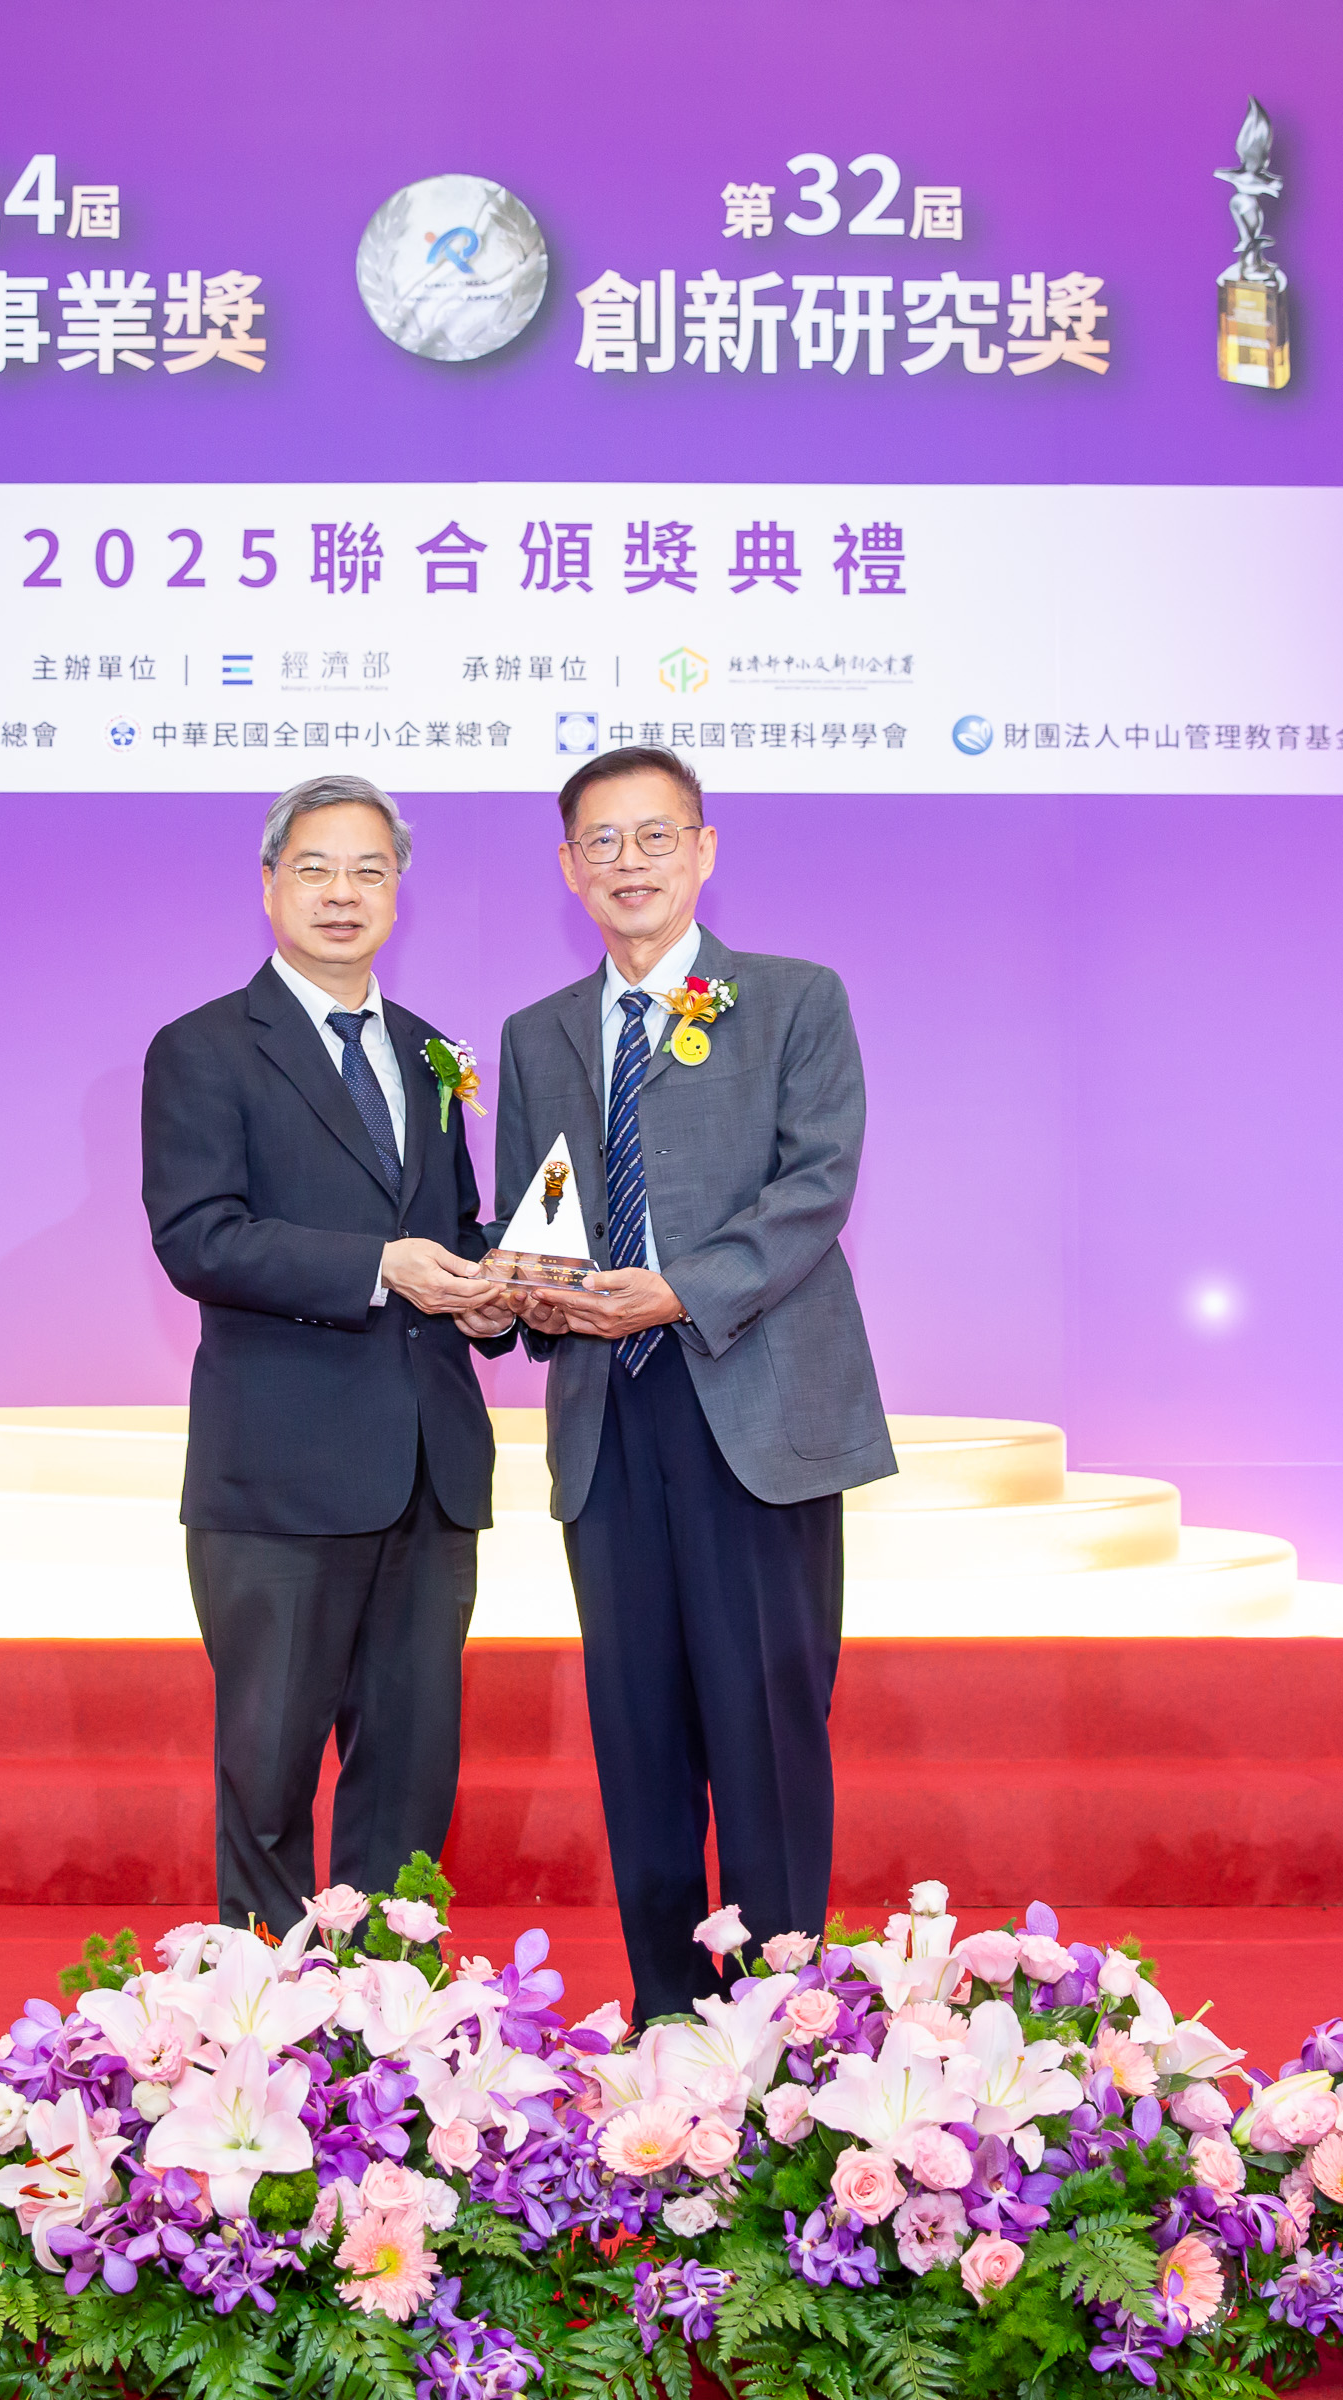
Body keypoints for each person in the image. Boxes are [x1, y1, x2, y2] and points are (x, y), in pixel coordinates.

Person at [486, 745, 893, 2021]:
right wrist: (522, 1286)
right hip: (608, 1411)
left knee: (766, 1726)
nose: (630, 864)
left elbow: (814, 1187)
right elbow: (541, 1206)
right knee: (639, 1731)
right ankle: (668, 2015)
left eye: (655, 837)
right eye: (601, 843)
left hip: (752, 1401)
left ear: (704, 849)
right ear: (568, 868)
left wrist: (679, 1288)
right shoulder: (539, 1033)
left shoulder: (793, 999)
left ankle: (781, 2024)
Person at [142, 773, 520, 1935]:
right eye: (315, 869)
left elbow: (452, 1226)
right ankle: (260, 2006)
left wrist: (497, 1292)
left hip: (430, 1469)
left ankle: (390, 2009)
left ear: (399, 892)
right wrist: (380, 1267)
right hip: (281, 1474)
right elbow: (200, 1238)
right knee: (268, 1775)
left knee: (410, 1773)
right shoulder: (204, 1048)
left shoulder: (431, 1053)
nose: (342, 893)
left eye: (369, 870)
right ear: (270, 886)